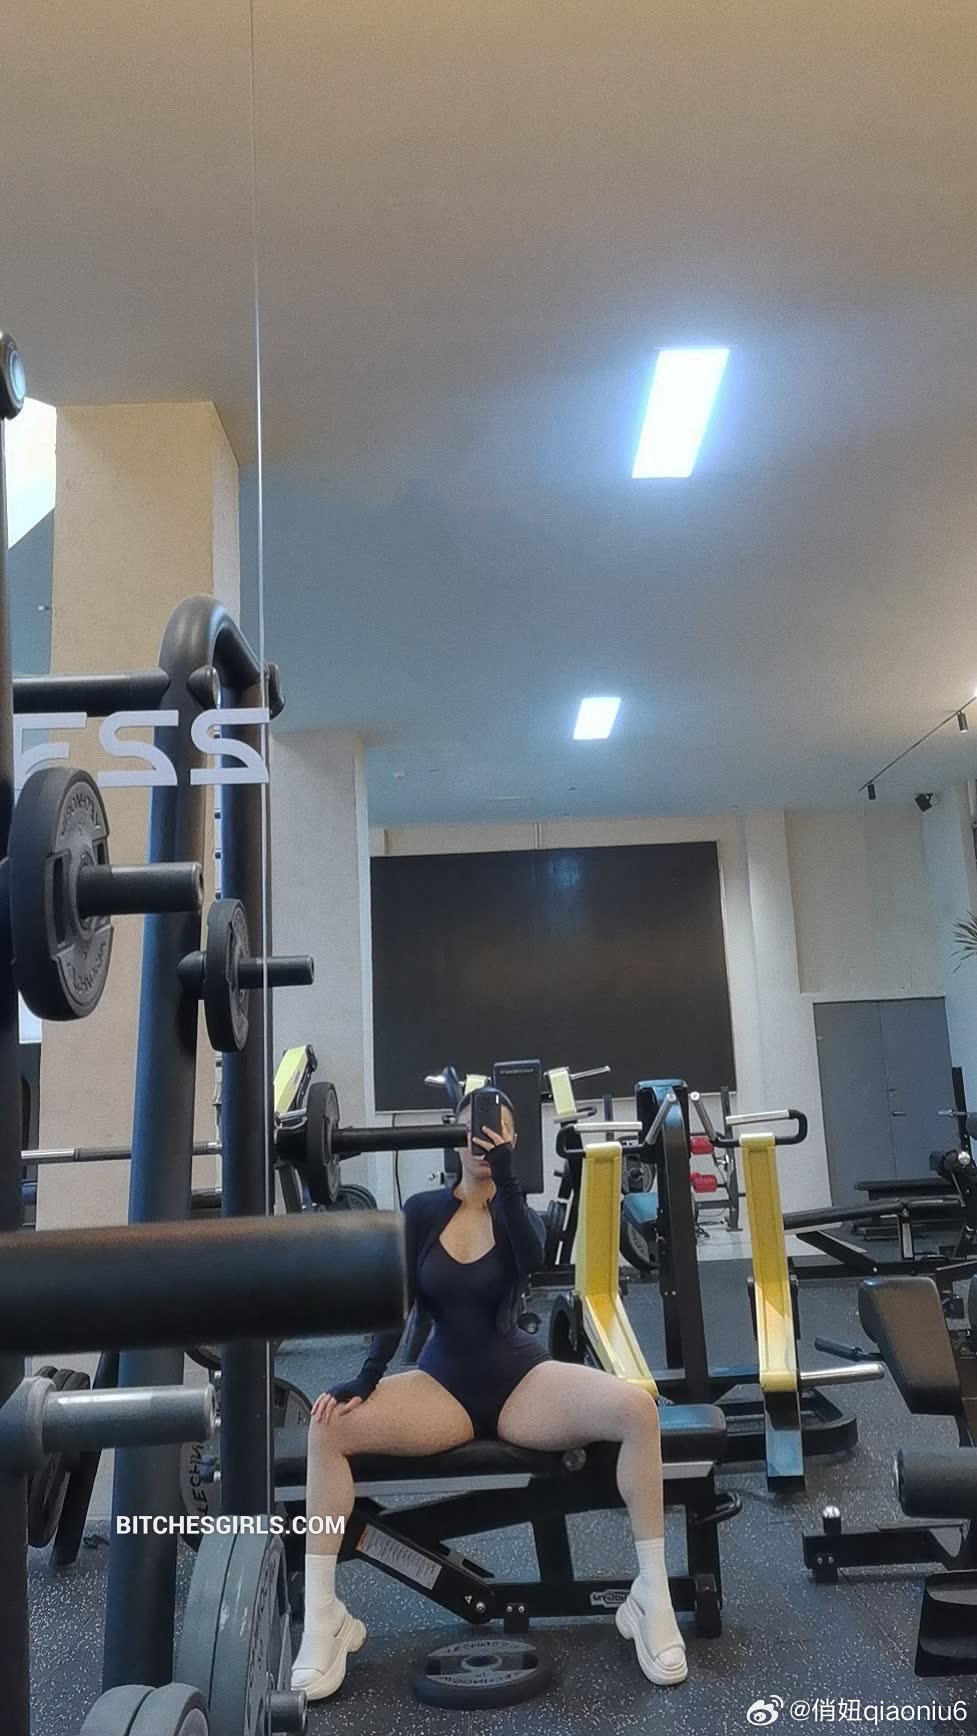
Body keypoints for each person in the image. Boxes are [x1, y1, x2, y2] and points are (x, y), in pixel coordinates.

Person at [292, 1088, 686, 1699]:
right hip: (440, 1387)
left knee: (637, 1409)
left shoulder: (516, 1210)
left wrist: (507, 1180)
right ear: (456, 1138)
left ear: (511, 1140)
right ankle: (325, 1618)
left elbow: (534, 1259)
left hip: (520, 1383)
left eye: (497, 1130)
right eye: (474, 1129)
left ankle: (650, 1596)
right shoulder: (422, 1211)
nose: (483, 1139)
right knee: (327, 1426)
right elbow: (396, 1303)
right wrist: (366, 1378)